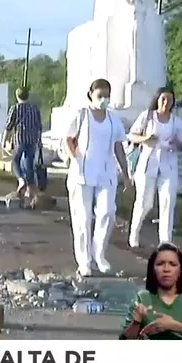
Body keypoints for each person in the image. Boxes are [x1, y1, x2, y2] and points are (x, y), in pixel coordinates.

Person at [64, 78, 131, 276]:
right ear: (91, 95)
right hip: (82, 172)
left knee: (107, 212)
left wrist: (126, 174)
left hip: (106, 172)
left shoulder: (113, 120)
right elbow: (69, 138)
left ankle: (99, 254)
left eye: (106, 95)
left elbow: (119, 146)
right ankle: (84, 261)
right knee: (82, 218)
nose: (103, 99)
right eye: (99, 95)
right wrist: (73, 156)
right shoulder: (82, 115)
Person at [127, 88, 182, 247]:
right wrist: (145, 138)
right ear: (157, 100)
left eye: (170, 100)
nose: (166, 103)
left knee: (168, 200)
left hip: (168, 165)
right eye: (163, 99)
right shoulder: (147, 117)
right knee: (145, 202)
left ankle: (165, 240)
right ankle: (134, 233)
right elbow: (131, 135)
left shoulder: (176, 122)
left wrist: (177, 144)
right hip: (148, 164)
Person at [120, 242, 182, 340]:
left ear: (180, 270)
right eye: (160, 264)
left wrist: (174, 326)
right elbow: (124, 341)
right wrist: (136, 322)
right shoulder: (142, 298)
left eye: (173, 264)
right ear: (152, 269)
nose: (166, 269)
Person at [3, 86, 43, 199]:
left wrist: (5, 141)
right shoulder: (35, 109)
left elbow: (9, 126)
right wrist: (39, 141)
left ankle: (21, 180)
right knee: (28, 164)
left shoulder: (15, 108)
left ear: (17, 96)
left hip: (20, 139)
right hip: (33, 139)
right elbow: (39, 127)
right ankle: (30, 190)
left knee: (15, 161)